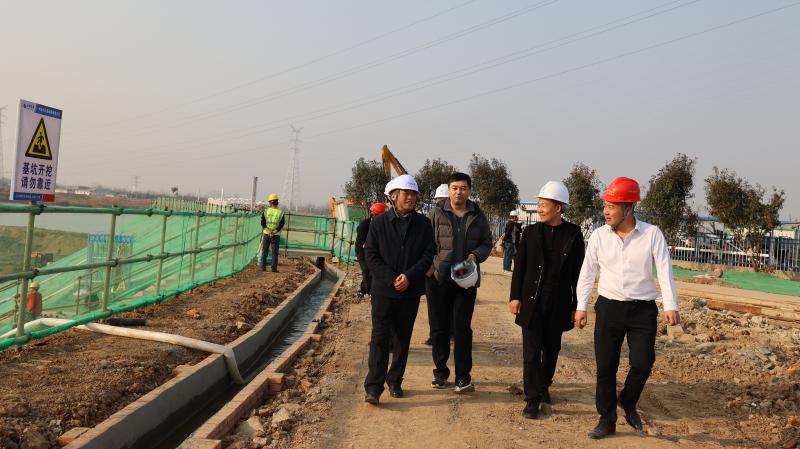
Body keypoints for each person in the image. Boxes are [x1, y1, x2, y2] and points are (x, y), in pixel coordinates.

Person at [574, 176, 681, 439]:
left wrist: (670, 305)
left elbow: (664, 270)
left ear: (629, 208)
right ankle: (606, 419)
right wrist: (581, 306)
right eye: (605, 205)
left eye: (611, 206)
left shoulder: (652, 234)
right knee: (606, 367)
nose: (606, 211)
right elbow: (587, 273)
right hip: (609, 308)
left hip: (642, 309)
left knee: (643, 362)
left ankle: (628, 400)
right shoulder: (599, 236)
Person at [508, 181, 584, 419]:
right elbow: (520, 268)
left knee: (551, 349)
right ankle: (532, 399)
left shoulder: (573, 235)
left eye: (543, 205)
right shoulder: (530, 233)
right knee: (531, 353)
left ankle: (543, 385)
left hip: (559, 303)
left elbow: (579, 275)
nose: (539, 209)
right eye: (539, 205)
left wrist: (577, 306)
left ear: (558, 208)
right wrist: (515, 296)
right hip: (532, 301)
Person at [363, 174, 436, 404]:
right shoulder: (378, 223)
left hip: (409, 292)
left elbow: (428, 255)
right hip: (383, 292)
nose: (411, 198)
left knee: (402, 339)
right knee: (379, 338)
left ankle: (395, 380)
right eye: (406, 193)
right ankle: (373, 388)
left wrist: (410, 277)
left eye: (414, 194)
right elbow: (371, 255)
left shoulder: (423, 225)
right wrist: (391, 278)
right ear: (393, 196)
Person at [427, 172, 492, 393]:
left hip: (465, 281)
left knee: (462, 329)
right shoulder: (436, 214)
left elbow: (486, 242)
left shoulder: (477, 215)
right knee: (439, 328)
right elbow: (425, 244)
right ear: (449, 190)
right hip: (438, 280)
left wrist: (475, 255)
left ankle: (463, 377)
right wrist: (431, 270)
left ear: (469, 191)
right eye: (455, 188)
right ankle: (440, 373)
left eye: (463, 188)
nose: (459, 192)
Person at [424, 183, 451, 346]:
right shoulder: (460, 214)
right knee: (446, 305)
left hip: (437, 269)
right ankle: (448, 333)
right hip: (447, 268)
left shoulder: (433, 214)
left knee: (435, 307)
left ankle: (437, 336)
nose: (439, 203)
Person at [355, 202, 387, 298]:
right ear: (374, 214)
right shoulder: (365, 224)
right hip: (362, 252)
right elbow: (361, 241)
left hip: (373, 251)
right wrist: (369, 246)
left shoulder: (381, 225)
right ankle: (370, 292)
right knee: (366, 270)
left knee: (372, 271)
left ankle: (364, 290)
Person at [260, 193, 285, 273]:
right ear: (277, 202)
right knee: (274, 252)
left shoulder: (266, 211)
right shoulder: (281, 212)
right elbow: (281, 224)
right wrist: (273, 232)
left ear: (270, 202)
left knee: (265, 250)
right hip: (275, 235)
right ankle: (274, 268)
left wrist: (268, 231)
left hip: (266, 234)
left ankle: (263, 267)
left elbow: (262, 223)